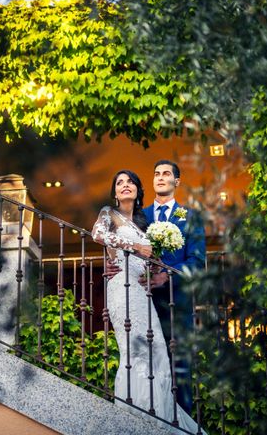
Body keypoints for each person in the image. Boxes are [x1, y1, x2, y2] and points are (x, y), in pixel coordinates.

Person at [92, 169, 204, 433]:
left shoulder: (144, 223)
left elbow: (154, 262)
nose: (125, 185)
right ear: (115, 192)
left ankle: (159, 419)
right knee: (134, 354)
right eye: (119, 182)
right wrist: (132, 249)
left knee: (156, 355)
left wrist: (158, 271)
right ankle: (135, 420)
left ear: (138, 189)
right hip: (122, 290)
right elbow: (98, 235)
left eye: (130, 181)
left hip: (144, 295)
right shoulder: (109, 213)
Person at [144, 159, 206, 413]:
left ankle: (183, 425)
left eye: (166, 173)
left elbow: (198, 262)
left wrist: (168, 276)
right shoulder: (140, 215)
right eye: (156, 173)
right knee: (147, 365)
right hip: (144, 302)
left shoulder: (190, 216)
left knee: (180, 368)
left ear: (176, 182)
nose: (160, 177)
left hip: (178, 303)